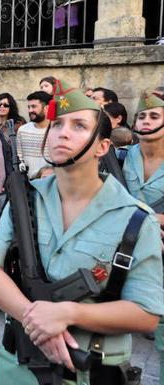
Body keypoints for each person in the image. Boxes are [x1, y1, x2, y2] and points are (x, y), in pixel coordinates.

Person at [0, 79, 163, 385]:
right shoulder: (27, 200)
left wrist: (68, 314)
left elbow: (145, 313)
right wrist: (35, 318)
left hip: (92, 369)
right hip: (19, 365)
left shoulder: (134, 218)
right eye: (57, 124)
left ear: (103, 147)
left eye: (79, 125)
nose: (63, 132)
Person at [122, 91, 164, 382]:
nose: (146, 121)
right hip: (124, 250)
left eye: (155, 116)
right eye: (142, 115)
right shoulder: (122, 155)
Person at [16, 91, 52, 178]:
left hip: (51, 184)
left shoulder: (57, 131)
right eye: (28, 107)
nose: (30, 110)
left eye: (34, 106)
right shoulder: (23, 130)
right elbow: (19, 158)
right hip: (27, 185)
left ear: (46, 108)